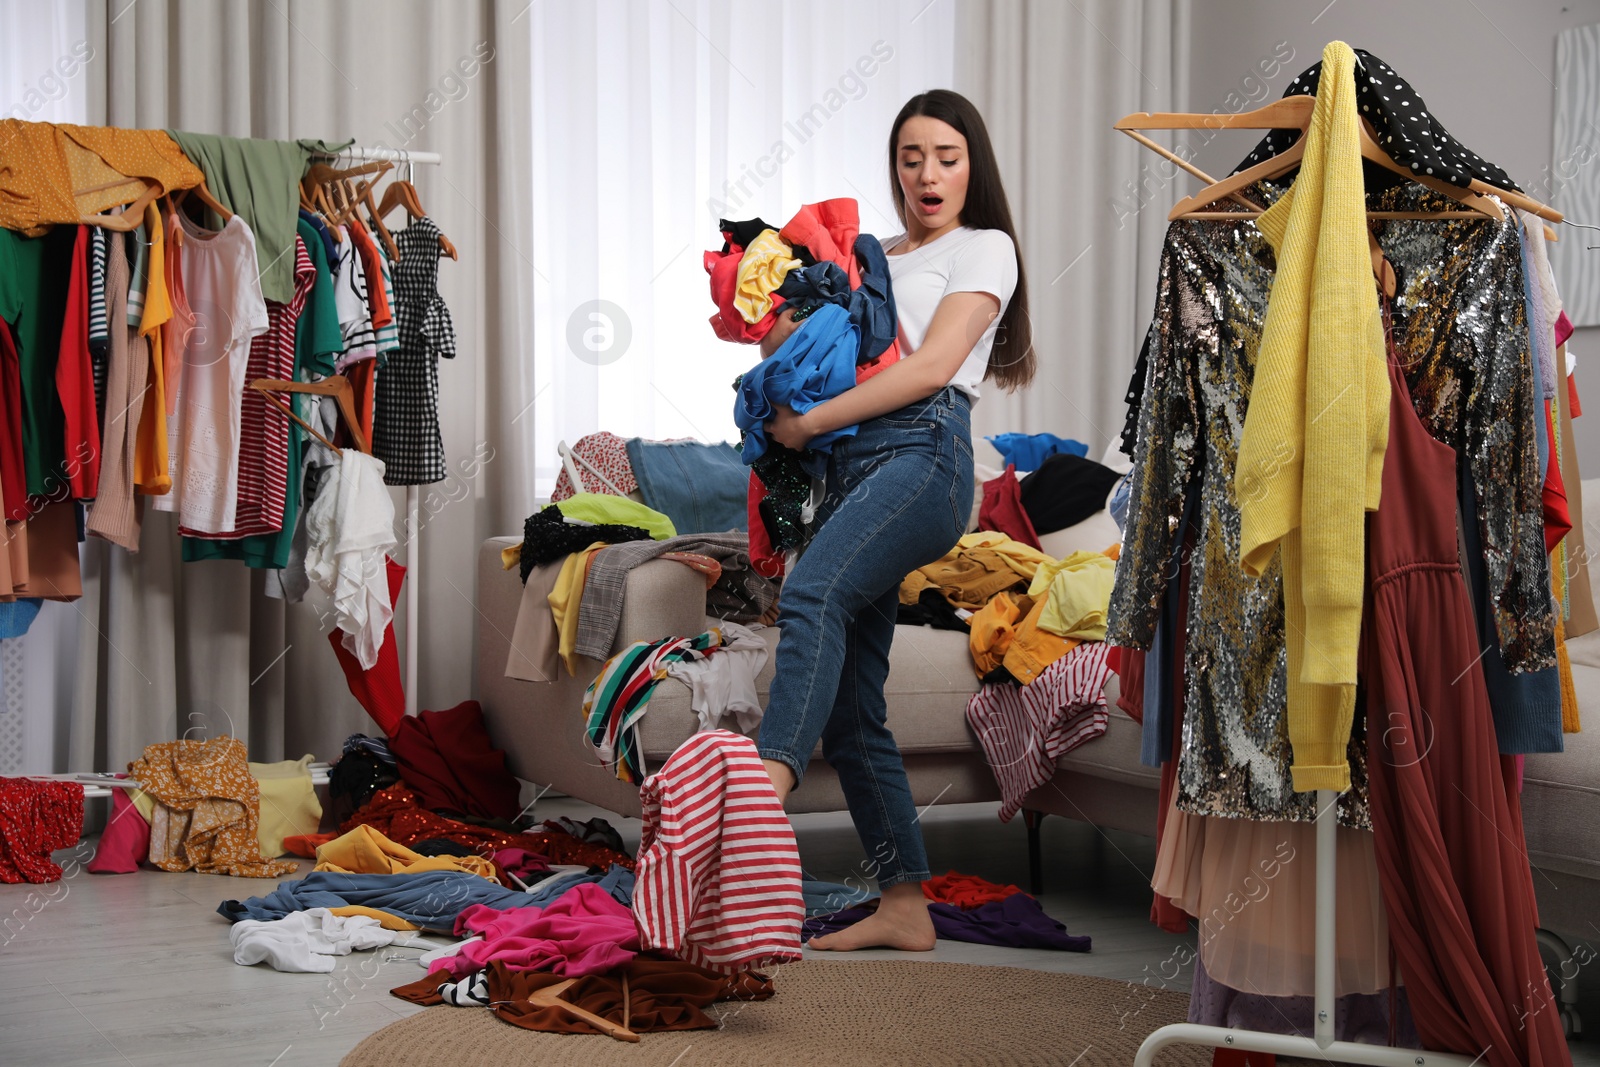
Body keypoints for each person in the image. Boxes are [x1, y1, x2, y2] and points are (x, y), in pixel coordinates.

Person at [755, 89, 1034, 951]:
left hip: (923, 456)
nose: (928, 173)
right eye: (911, 157)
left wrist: (807, 423)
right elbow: (794, 354)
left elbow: (933, 367)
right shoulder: (869, 258)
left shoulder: (986, 247)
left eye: (946, 156)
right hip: (850, 466)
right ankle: (905, 904)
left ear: (972, 164)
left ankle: (752, 811)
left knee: (811, 599)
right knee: (851, 706)